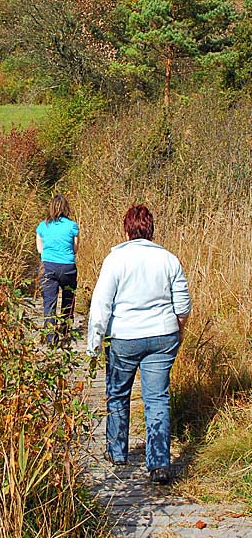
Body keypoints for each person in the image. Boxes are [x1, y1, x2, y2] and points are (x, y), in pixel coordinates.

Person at [87, 204, 191, 485]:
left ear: (127, 229)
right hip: (162, 336)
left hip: (124, 338)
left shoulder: (116, 260)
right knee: (156, 398)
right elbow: (182, 305)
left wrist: (94, 341)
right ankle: (159, 464)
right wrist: (178, 332)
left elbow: (101, 304)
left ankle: (117, 452)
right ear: (151, 228)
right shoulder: (169, 260)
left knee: (118, 393)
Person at [36, 193, 80, 344]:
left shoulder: (42, 226)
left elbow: (40, 249)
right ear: (66, 208)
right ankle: (66, 330)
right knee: (68, 299)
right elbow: (75, 249)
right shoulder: (73, 226)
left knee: (49, 302)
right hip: (67, 267)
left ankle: (50, 337)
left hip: (48, 267)